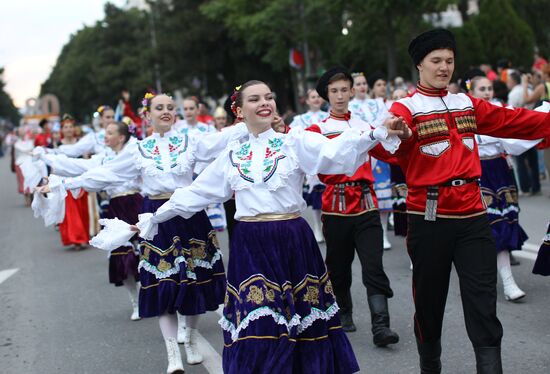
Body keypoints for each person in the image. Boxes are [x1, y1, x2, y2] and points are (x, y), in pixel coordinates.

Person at [135, 79, 407, 373]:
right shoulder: (233, 155)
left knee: (303, 318)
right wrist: (154, 218)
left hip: (292, 238)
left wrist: (378, 132)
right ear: (239, 111)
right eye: (254, 99)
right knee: (259, 319)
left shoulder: (294, 141)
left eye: (268, 97)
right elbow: (196, 193)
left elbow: (336, 150)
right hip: (251, 243)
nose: (264, 103)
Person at [40, 93, 246, 374]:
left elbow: (224, 138)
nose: (166, 112)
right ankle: (172, 353)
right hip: (156, 220)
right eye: (159, 108)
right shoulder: (138, 149)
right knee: (162, 283)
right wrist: (64, 183)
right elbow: (106, 173)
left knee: (194, 282)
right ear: (147, 115)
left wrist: (253, 115)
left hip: (189, 214)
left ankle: (193, 338)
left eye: (170, 108)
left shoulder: (191, 141)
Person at [388, 28, 550, 373]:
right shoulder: (405, 108)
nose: (444, 67)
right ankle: (429, 364)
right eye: (436, 61)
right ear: (420, 64)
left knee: (483, 303)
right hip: (429, 216)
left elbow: (513, 120)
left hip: (474, 215)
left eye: (449, 60)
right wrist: (394, 134)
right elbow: (384, 144)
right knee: (429, 304)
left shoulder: (467, 103)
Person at [307, 67, 401, 347]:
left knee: (374, 266)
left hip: (366, 202)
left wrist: (402, 137)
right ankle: (344, 311)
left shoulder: (364, 125)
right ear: (326, 95)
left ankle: (380, 326)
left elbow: (388, 152)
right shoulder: (317, 129)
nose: (339, 95)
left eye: (343, 89)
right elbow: (315, 162)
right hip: (335, 206)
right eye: (333, 91)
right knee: (338, 267)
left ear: (352, 91)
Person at [37, 120, 142, 318]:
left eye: (110, 133)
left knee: (145, 254)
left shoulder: (135, 153)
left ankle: (150, 295)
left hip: (137, 204)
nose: (105, 136)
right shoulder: (103, 158)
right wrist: (47, 155)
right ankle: (135, 301)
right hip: (117, 207)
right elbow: (76, 165)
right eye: (105, 132)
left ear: (121, 137)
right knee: (122, 256)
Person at [469, 76, 543, 301]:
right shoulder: (464, 114)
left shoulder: (500, 110)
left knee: (503, 223)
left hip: (499, 170)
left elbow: (516, 136)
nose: (487, 92)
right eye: (482, 89)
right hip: (475, 173)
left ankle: (507, 281)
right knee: (482, 228)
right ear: (472, 91)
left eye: (490, 88)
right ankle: (490, 280)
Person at [290, 89, 329, 242]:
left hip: (324, 159)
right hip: (308, 160)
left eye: (318, 96)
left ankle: (326, 227)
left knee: (326, 195)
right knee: (316, 198)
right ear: (307, 100)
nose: (316, 99)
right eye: (313, 97)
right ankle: (317, 227)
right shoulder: (300, 119)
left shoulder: (327, 117)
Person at [508, 72, 541, 195]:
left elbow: (511, 111)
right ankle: (536, 185)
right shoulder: (531, 90)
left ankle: (525, 186)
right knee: (533, 158)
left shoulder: (514, 93)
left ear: (513, 81)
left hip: (519, 128)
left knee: (520, 159)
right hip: (532, 125)